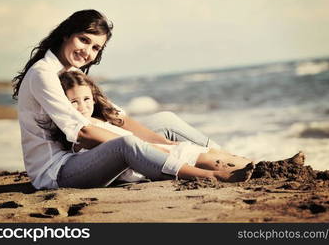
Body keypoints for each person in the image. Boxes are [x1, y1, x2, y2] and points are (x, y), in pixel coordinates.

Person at [12, 9, 255, 190]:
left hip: (82, 156)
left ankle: (231, 160)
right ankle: (208, 176)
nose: (87, 52)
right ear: (66, 34)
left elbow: (117, 119)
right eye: (84, 40)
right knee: (127, 145)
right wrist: (152, 148)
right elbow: (83, 134)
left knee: (165, 120)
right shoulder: (43, 74)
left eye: (96, 48)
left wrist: (167, 145)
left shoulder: (72, 73)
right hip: (58, 171)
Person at [44, 70, 256, 185]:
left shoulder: (98, 117)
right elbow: (123, 145)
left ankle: (258, 164)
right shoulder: (76, 129)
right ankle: (213, 176)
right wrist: (162, 149)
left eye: (86, 99)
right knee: (207, 162)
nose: (82, 106)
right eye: (74, 102)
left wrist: (166, 143)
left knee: (206, 152)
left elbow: (125, 124)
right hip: (140, 162)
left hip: (147, 152)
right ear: (63, 104)